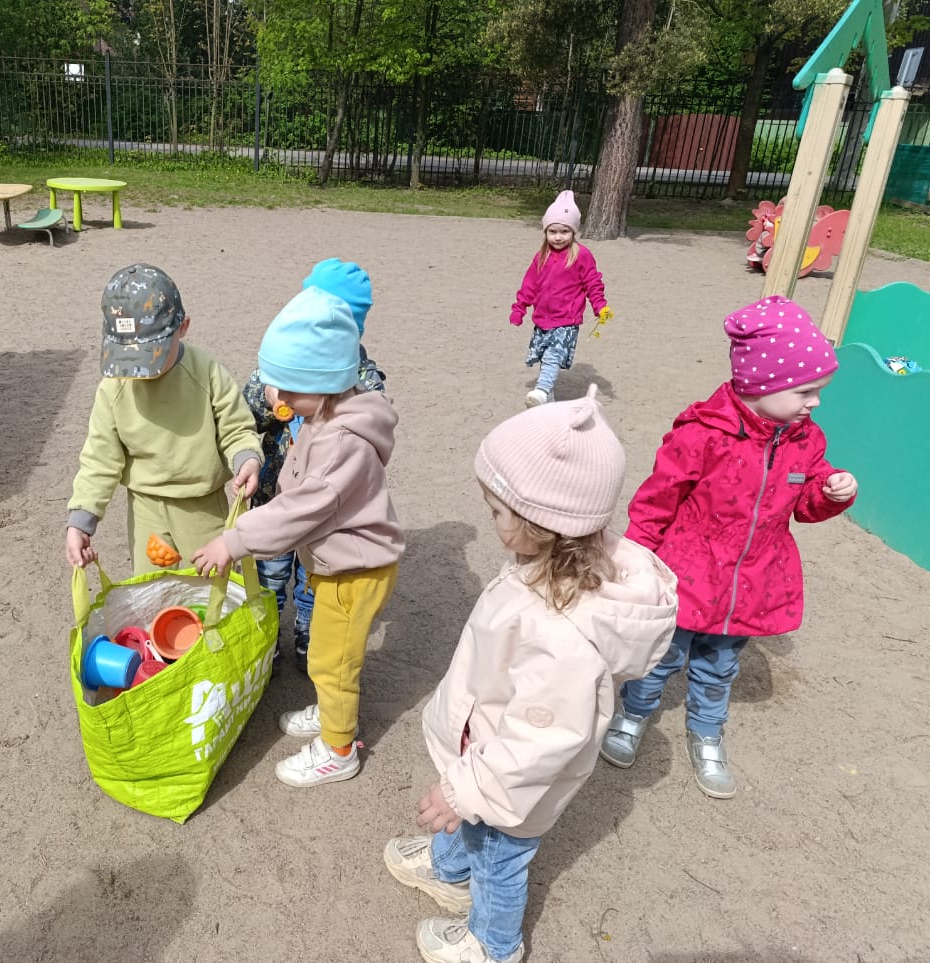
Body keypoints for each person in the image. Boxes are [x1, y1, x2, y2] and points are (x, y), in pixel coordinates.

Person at [385, 387, 676, 963]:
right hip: (488, 741)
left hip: (512, 778)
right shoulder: (545, 562)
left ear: (543, 522)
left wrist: (468, 788)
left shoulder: (564, 634)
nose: (490, 518)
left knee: (499, 856)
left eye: (498, 512)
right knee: (472, 825)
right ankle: (450, 870)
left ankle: (493, 944)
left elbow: (539, 739)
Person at [600, 296, 858, 799]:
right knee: (661, 656)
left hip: (753, 579)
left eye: (818, 391)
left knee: (719, 667)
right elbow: (657, 500)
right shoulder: (703, 435)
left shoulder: (806, 440)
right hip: (688, 572)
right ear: (761, 384)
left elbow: (804, 505)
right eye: (805, 391)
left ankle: (706, 732)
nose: (815, 403)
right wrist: (635, 558)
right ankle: (632, 715)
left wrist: (829, 493)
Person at [192, 287, 404, 788]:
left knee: (332, 661)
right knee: (332, 655)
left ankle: (338, 749)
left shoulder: (342, 441)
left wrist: (234, 541)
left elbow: (299, 509)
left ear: (325, 381)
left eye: (290, 391)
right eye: (276, 388)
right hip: (342, 562)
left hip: (355, 572)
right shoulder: (327, 413)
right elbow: (298, 477)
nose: (279, 401)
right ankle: (331, 712)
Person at [64, 264, 262, 576]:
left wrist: (246, 458)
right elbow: (99, 457)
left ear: (183, 328)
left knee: (212, 586)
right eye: (127, 356)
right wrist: (81, 520)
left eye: (149, 354)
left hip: (202, 505)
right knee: (151, 586)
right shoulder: (114, 387)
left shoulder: (206, 372)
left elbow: (236, 428)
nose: (138, 368)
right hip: (147, 508)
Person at [242, 257, 387, 672]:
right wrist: (271, 399)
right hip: (275, 493)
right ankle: (267, 634)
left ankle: (310, 631)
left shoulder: (361, 377)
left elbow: (373, 423)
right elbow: (247, 410)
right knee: (270, 570)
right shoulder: (283, 364)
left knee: (314, 578)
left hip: (327, 513)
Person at [509, 190, 612, 408]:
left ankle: (542, 390)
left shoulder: (581, 255)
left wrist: (600, 306)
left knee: (553, 355)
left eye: (564, 231)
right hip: (543, 318)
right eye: (552, 231)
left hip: (566, 318)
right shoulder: (541, 256)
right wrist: (519, 308)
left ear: (573, 232)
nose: (558, 237)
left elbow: (593, 283)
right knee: (545, 356)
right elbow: (529, 284)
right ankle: (548, 398)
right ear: (545, 232)